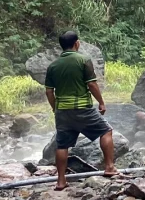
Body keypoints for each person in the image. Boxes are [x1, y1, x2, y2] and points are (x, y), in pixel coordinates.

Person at [44, 29, 117, 188]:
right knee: (106, 131)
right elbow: (91, 84)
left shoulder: (53, 66)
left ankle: (61, 180)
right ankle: (110, 167)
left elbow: (49, 91)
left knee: (62, 145)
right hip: (83, 108)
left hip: (62, 110)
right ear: (77, 43)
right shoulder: (83, 60)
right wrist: (101, 102)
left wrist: (55, 107)